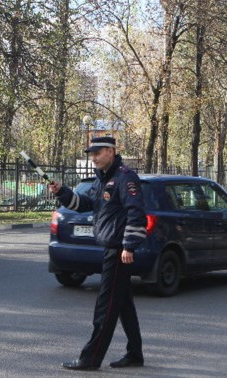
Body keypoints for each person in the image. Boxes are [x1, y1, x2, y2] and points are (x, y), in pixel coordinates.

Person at [48, 136, 147, 371]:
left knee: (106, 307)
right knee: (123, 303)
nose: (93, 158)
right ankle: (135, 354)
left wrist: (129, 246)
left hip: (118, 250)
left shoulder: (125, 177)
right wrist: (62, 191)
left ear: (111, 151)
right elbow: (84, 203)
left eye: (97, 153)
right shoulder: (102, 180)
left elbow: (136, 212)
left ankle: (90, 359)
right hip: (110, 249)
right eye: (91, 154)